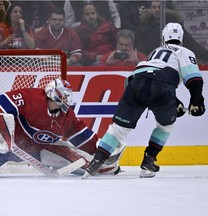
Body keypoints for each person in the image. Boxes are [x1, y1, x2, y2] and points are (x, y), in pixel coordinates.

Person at [84, 23, 205, 178]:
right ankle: (148, 161)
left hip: (135, 82)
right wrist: (197, 102)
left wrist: (176, 103)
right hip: (161, 88)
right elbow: (193, 79)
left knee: (118, 129)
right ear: (181, 39)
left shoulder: (156, 51)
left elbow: (152, 76)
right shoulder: (184, 51)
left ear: (163, 38)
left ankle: (96, 162)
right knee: (165, 126)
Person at [0, 78, 125, 175]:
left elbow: (83, 137)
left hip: (40, 150)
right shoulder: (32, 98)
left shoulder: (66, 116)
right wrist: (3, 136)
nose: (66, 99)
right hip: (8, 145)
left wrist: (102, 151)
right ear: (52, 94)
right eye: (63, 96)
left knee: (80, 164)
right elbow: (1, 102)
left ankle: (106, 167)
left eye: (67, 96)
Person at [134, 0, 208, 64]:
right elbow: (140, 46)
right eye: (154, 7)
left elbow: (191, 43)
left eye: (159, 7)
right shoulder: (145, 27)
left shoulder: (175, 26)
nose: (157, 9)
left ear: (165, 8)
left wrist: (205, 55)